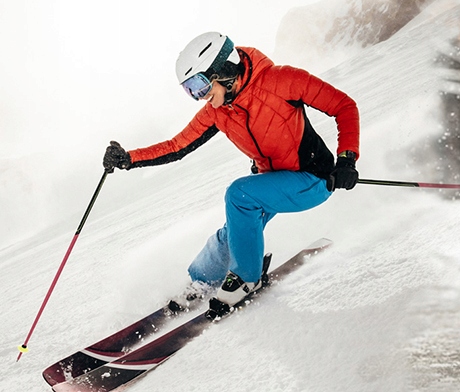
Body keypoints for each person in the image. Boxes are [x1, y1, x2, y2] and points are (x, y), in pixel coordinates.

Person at [102, 32, 360, 315]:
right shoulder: (218, 111)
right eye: (190, 90)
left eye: (199, 85)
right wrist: (128, 158)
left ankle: (247, 278)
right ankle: (202, 281)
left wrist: (346, 160)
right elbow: (177, 146)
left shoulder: (282, 80)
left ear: (223, 70)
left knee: (239, 196)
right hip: (272, 183)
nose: (199, 96)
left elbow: (343, 106)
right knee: (234, 231)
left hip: (314, 178)